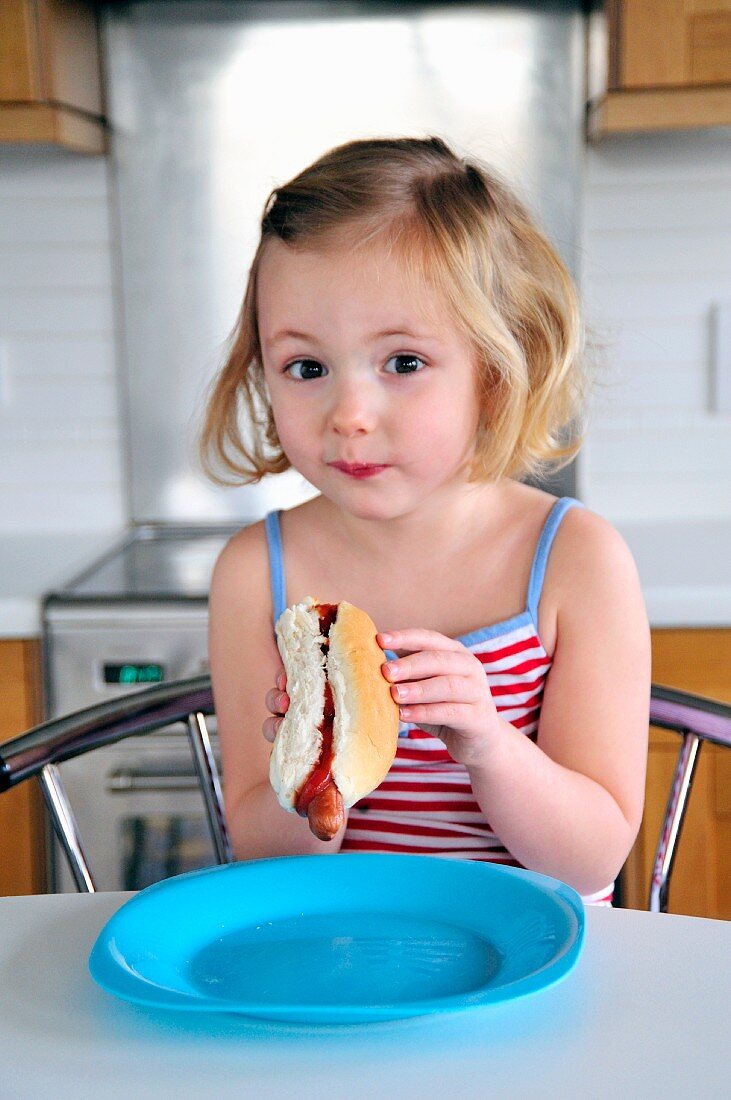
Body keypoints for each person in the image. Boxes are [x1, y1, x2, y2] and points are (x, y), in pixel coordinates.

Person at [199, 136, 650, 905]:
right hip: (345, 955)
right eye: (306, 368)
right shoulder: (255, 572)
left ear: (498, 368)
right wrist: (315, 777)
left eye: (402, 363)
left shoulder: (575, 559)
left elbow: (590, 860)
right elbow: (263, 857)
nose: (348, 415)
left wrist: (487, 744)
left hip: (536, 977)